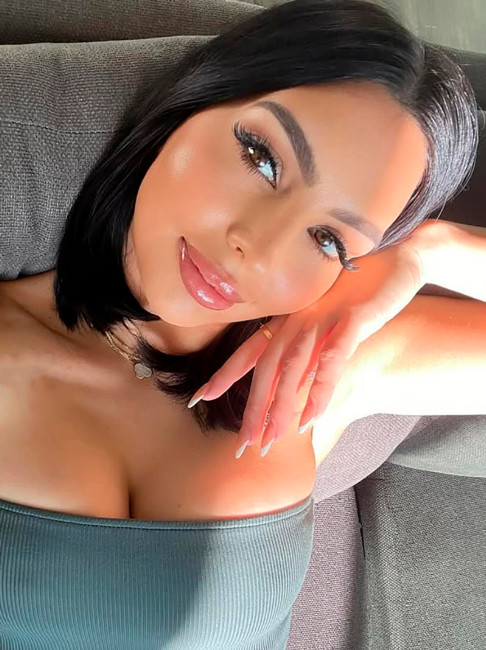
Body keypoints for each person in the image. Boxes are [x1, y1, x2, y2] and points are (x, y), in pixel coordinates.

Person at [0, 0, 479, 648]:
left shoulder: (310, 376)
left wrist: (430, 254)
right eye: (263, 159)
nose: (255, 247)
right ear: (193, 98)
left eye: (328, 240)